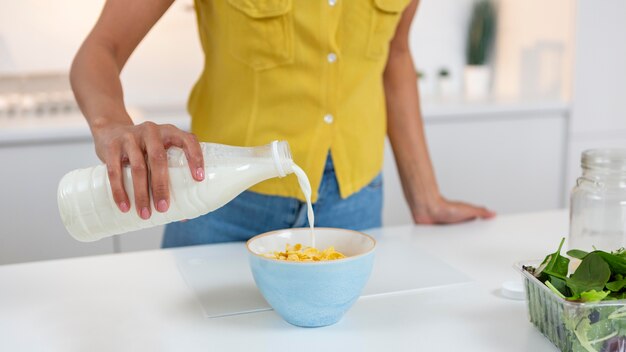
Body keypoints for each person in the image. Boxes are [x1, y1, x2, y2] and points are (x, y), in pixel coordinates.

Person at [70, 0, 495, 248]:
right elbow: (100, 49)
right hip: (220, 203)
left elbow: (395, 55)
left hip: (356, 201)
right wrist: (111, 125)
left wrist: (426, 197)